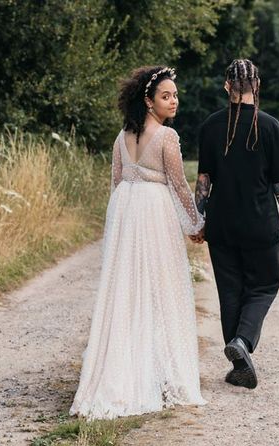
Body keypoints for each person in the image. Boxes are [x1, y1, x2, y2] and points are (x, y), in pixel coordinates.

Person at [70, 66, 206, 419]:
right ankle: (159, 373)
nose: (174, 101)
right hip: (153, 212)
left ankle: (126, 369)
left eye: (175, 95)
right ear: (149, 101)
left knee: (127, 290)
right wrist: (196, 223)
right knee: (160, 288)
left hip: (127, 211)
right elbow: (178, 185)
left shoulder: (120, 138)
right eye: (166, 96)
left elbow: (117, 182)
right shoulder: (166, 137)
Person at [193, 58, 279, 390]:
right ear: (257, 86)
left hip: (221, 225)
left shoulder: (210, 126)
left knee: (230, 291)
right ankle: (243, 342)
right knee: (265, 283)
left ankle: (238, 362)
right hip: (260, 223)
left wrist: (199, 219)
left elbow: (204, 181)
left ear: (227, 87)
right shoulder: (270, 126)